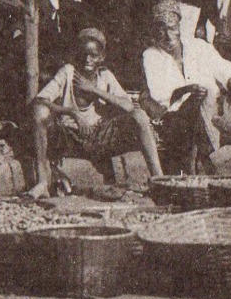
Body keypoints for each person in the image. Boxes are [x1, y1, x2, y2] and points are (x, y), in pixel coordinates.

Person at [26, 27, 164, 197]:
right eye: (83, 54)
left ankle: (159, 179)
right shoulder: (68, 72)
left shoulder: (105, 76)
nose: (87, 59)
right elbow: (39, 101)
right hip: (73, 138)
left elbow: (129, 106)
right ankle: (42, 182)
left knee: (139, 116)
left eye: (93, 55)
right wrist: (70, 112)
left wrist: (95, 91)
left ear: (101, 57)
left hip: (99, 137)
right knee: (40, 111)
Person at [141, 0, 231, 172]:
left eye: (172, 28)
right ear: (154, 31)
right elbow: (160, 95)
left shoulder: (198, 46)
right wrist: (187, 89)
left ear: (179, 26)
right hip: (177, 116)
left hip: (215, 108)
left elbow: (223, 67)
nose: (168, 35)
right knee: (201, 99)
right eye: (161, 29)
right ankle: (214, 161)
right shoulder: (151, 56)